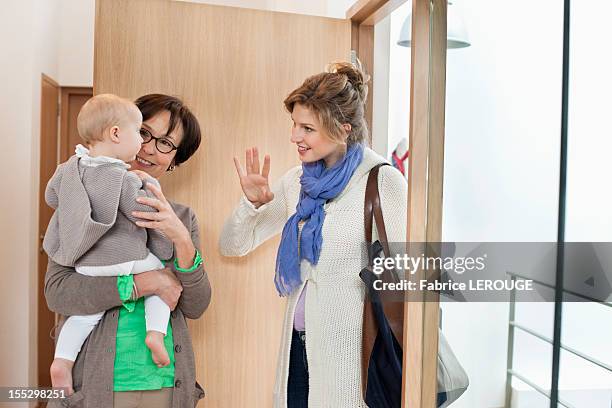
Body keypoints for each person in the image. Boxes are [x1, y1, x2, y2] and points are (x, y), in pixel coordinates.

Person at [219, 62, 407, 407]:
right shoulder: (297, 182)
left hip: (352, 361)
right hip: (297, 349)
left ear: (343, 129)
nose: (294, 136)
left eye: (307, 128)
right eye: (294, 125)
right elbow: (232, 245)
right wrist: (251, 204)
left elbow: (414, 279)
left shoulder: (383, 183)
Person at [45, 94, 211, 408]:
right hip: (94, 385)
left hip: (164, 384)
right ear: (116, 131)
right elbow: (59, 293)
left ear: (174, 160)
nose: (148, 148)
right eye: (144, 133)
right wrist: (145, 284)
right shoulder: (79, 204)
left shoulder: (182, 217)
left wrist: (182, 240)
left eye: (166, 143)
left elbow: (195, 305)